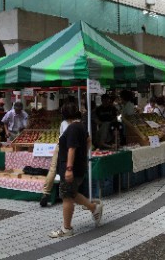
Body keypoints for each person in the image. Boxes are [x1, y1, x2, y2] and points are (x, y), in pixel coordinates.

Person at [49, 102, 103, 238]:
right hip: (78, 167)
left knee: (67, 197)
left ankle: (67, 228)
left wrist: (69, 168)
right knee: (72, 193)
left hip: (71, 168)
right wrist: (82, 156)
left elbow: (71, 148)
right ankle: (94, 208)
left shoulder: (72, 128)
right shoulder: (81, 126)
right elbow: (89, 140)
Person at [40, 104, 79, 207]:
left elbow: (62, 136)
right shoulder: (77, 124)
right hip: (71, 147)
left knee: (53, 169)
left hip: (60, 146)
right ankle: (69, 191)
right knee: (69, 168)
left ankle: (46, 193)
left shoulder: (63, 123)